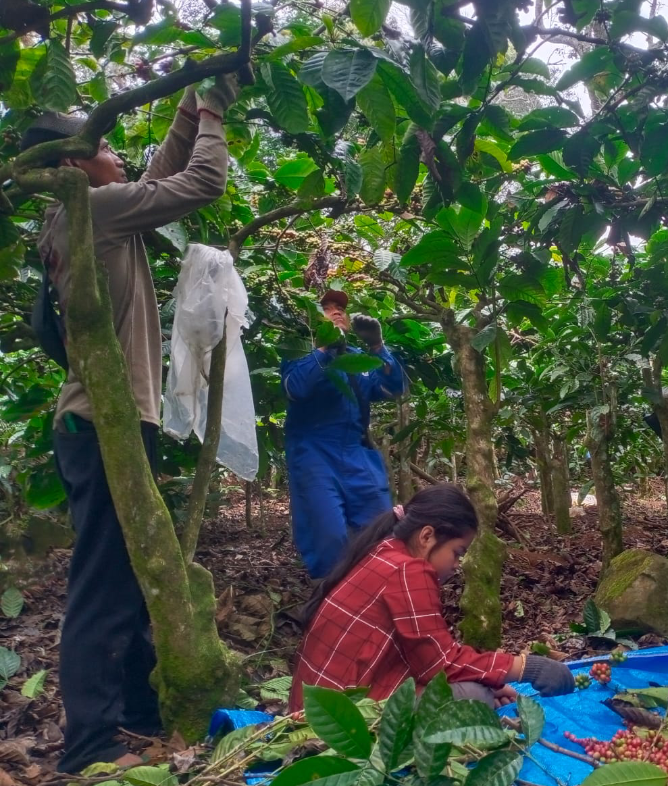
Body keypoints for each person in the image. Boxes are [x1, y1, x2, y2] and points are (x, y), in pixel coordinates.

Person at [23, 77, 239, 772]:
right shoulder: (96, 212)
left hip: (100, 423)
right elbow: (201, 182)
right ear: (71, 165)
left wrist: (187, 106)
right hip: (102, 423)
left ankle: (139, 714)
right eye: (103, 145)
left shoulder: (79, 218)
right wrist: (213, 111)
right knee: (103, 583)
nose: (115, 154)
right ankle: (90, 742)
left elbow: (157, 179)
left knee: (129, 573)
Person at [289, 484, 575, 710]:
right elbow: (441, 663)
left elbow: (422, 654)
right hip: (341, 717)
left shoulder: (384, 551)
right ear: (427, 537)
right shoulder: (409, 570)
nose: (457, 565)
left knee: (476, 687)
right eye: (457, 552)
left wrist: (489, 675)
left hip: (317, 705)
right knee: (474, 698)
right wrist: (525, 667)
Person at [280, 289, 407, 578]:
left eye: (340, 307)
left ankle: (379, 595)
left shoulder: (357, 359)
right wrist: (324, 349)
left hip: (357, 453)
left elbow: (392, 388)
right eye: (327, 308)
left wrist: (377, 346)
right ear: (313, 319)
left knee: (381, 530)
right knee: (328, 537)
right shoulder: (299, 353)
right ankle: (331, 602)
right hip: (314, 454)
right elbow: (295, 388)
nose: (336, 311)